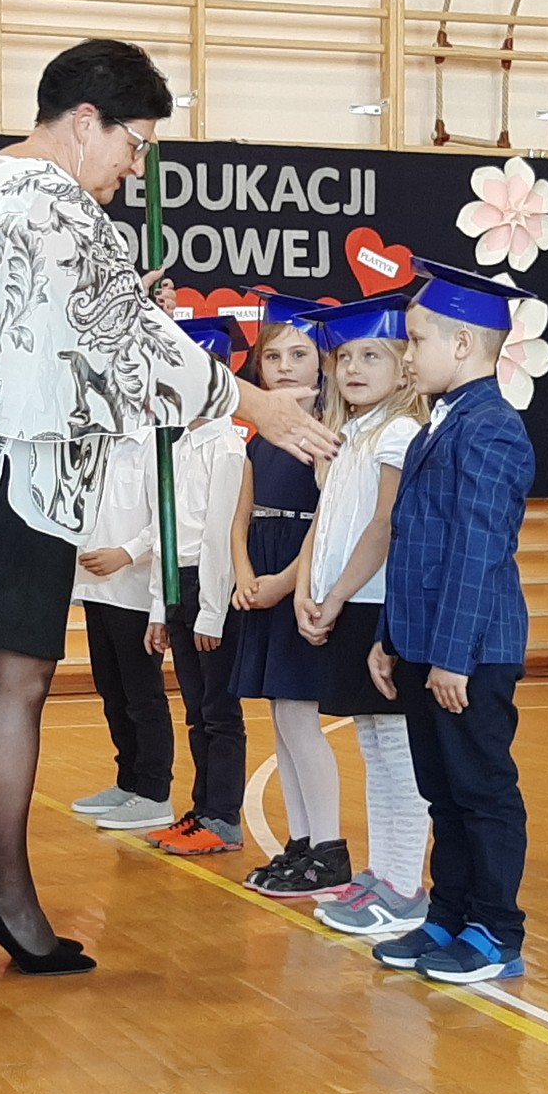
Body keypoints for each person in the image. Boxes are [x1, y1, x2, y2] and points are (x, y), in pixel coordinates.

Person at [0, 38, 340, 975]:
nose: (135, 169)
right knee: (16, 685)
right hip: (12, 473)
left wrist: (122, 296)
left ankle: (0, 889)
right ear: (85, 122)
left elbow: (56, 324)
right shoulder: (59, 204)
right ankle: (5, 896)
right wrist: (255, 403)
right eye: (134, 145)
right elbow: (127, 344)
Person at [368, 258, 536, 985]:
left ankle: (495, 930)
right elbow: (413, 544)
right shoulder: (440, 424)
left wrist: (453, 656)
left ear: (463, 344)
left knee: (481, 791)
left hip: (469, 651)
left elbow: (478, 548)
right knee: (443, 791)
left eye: (416, 340)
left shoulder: (492, 429)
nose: (407, 355)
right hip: (426, 645)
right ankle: (449, 915)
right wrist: (390, 638)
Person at [287, 297, 431, 931]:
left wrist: (339, 594)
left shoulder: (398, 433)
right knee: (374, 746)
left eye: (371, 355)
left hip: (375, 606)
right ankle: (381, 873)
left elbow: (383, 527)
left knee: (397, 751)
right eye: (344, 356)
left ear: (403, 368)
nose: (352, 368)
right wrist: (306, 590)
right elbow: (327, 523)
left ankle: (403, 886)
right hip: (346, 604)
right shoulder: (351, 435)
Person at [226, 300, 335, 893]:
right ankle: (301, 841)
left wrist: (284, 582)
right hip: (263, 575)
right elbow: (241, 515)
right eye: (273, 357)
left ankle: (328, 848)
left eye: (299, 354)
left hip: (297, 578)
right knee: (281, 719)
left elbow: (329, 525)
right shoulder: (260, 438)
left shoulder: (327, 434)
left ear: (322, 364)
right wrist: (246, 574)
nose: (285, 366)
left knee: (299, 715)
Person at [141, 318, 248, 856]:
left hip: (210, 587)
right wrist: (159, 607)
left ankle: (223, 816)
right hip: (178, 585)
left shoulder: (226, 446)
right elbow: (165, 532)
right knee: (196, 709)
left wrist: (211, 610)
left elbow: (220, 533)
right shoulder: (178, 444)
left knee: (220, 711)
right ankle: (202, 809)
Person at [69, 426, 175, 828]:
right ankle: (128, 780)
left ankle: (154, 791)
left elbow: (166, 516)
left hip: (134, 592)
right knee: (111, 691)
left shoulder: (154, 445)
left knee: (142, 695)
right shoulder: (97, 444)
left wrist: (126, 554)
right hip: (96, 590)